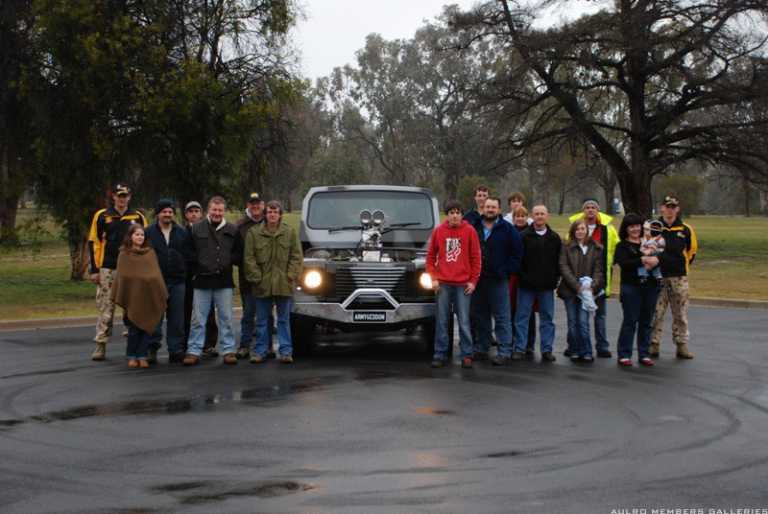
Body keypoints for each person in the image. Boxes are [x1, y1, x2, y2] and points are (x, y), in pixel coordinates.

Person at [87, 183, 148, 361]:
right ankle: (100, 344)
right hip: (108, 267)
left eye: (125, 196)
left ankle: (132, 344)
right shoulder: (102, 216)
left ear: (130, 197)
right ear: (113, 196)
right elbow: (94, 243)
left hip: (131, 267)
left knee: (131, 306)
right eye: (119, 196)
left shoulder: (137, 216)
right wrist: (94, 270)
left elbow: (145, 241)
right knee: (107, 306)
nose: (122, 199)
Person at [183, 196, 242, 366]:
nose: (217, 213)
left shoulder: (232, 230)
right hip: (202, 281)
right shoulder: (196, 229)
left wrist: (226, 260)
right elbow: (188, 252)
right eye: (214, 210)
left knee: (226, 318)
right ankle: (194, 350)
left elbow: (239, 253)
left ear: (224, 211)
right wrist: (199, 265)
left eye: (220, 210)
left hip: (224, 281)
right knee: (198, 319)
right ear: (208, 210)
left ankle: (229, 350)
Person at [244, 200, 303, 364]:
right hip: (262, 284)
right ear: (265, 214)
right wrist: (257, 278)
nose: (272, 214)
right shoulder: (253, 233)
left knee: (283, 320)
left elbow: (296, 256)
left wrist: (290, 276)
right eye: (269, 212)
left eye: (275, 212)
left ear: (280, 214)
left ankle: (285, 351)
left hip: (283, 284)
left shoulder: (289, 232)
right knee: (262, 320)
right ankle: (260, 351)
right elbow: (249, 258)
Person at [426, 200, 482, 369]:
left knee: (464, 320)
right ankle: (440, 353)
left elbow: (476, 258)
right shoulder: (438, 231)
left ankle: (466, 354)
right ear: (447, 215)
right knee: (442, 320)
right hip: (443, 284)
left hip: (463, 284)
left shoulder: (470, 231)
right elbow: (430, 258)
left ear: (461, 214)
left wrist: (473, 281)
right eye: (451, 212)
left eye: (458, 212)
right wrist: (433, 278)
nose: (455, 215)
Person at [469, 197, 523, 366]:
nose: (490, 209)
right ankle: (482, 348)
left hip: (498, 280)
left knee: (502, 317)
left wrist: (506, 271)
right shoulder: (474, 227)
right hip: (478, 280)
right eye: (488, 207)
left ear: (499, 209)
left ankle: (504, 350)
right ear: (483, 208)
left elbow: (517, 254)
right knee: (480, 316)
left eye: (493, 207)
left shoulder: (508, 229)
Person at [110, 224, 168, 369]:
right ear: (130, 237)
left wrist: (152, 283)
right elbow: (123, 276)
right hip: (133, 298)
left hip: (149, 297)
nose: (140, 237)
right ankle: (131, 355)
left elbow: (155, 275)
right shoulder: (124, 254)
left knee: (147, 329)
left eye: (142, 235)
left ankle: (142, 356)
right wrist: (137, 280)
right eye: (137, 234)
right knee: (134, 330)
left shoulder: (150, 253)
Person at [567, 199, 618, 358]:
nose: (590, 210)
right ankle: (574, 346)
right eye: (587, 207)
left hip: (599, 279)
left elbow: (616, 248)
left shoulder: (608, 230)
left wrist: (607, 267)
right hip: (577, 283)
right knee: (577, 320)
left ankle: (602, 346)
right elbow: (568, 250)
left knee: (600, 315)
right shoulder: (576, 227)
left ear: (598, 210)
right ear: (583, 211)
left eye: (593, 207)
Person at [649, 195, 698, 359]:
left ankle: (681, 344)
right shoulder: (654, 227)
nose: (670, 210)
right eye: (667, 206)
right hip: (658, 276)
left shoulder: (685, 229)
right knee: (656, 311)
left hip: (678, 277)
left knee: (680, 313)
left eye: (673, 207)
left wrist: (680, 266)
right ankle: (653, 344)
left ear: (677, 209)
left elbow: (692, 252)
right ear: (661, 208)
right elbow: (646, 247)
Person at [146, 199, 193, 364]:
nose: (167, 214)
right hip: (156, 281)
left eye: (170, 212)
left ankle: (176, 350)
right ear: (158, 213)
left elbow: (188, 255)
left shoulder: (182, 232)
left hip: (178, 281)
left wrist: (184, 271)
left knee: (177, 317)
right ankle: (152, 348)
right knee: (155, 317)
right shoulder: (149, 232)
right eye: (164, 211)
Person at [512, 205, 561, 362]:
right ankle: (520, 348)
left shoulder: (554, 238)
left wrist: (555, 279)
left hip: (546, 286)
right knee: (522, 318)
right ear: (532, 216)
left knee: (547, 319)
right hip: (526, 285)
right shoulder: (524, 236)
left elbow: (559, 261)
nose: (539, 216)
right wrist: (523, 277)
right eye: (537, 214)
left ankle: (547, 350)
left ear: (547, 216)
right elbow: (517, 260)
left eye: (542, 214)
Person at [614, 213, 660, 367]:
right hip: (631, 287)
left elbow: (661, 258)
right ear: (626, 229)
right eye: (631, 226)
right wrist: (641, 259)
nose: (635, 229)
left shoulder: (649, 243)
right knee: (630, 321)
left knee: (646, 322)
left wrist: (656, 260)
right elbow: (624, 264)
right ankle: (624, 354)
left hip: (650, 286)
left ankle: (644, 353)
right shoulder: (622, 246)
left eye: (637, 226)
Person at [557, 219, 605, 363]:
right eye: (577, 229)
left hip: (588, 292)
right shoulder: (566, 247)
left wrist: (592, 286)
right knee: (572, 323)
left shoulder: (596, 248)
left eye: (583, 228)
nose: (580, 231)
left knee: (583, 322)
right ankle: (575, 349)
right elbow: (563, 267)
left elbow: (599, 270)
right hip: (570, 290)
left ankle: (587, 351)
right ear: (573, 231)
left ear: (587, 230)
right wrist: (577, 286)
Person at [182, 201, 218, 357]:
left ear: (201, 214)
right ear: (186, 215)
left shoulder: (208, 231)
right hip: (187, 276)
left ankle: (209, 344)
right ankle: (186, 344)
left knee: (208, 312)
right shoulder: (182, 232)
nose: (194, 214)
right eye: (190, 211)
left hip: (205, 276)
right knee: (187, 311)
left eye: (197, 211)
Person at [235, 192, 266, 360]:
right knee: (248, 314)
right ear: (248, 205)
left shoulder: (269, 222)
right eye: (252, 203)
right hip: (247, 278)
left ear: (262, 204)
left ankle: (265, 347)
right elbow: (236, 252)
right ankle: (244, 346)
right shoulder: (239, 226)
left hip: (268, 278)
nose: (255, 206)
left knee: (266, 315)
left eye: (258, 203)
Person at [508, 205, 536, 357]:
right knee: (511, 310)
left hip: (526, 276)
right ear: (513, 218)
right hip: (512, 277)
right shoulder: (509, 232)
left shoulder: (531, 233)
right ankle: (514, 340)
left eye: (522, 216)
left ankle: (529, 343)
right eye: (517, 216)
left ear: (527, 218)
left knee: (527, 312)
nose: (520, 219)